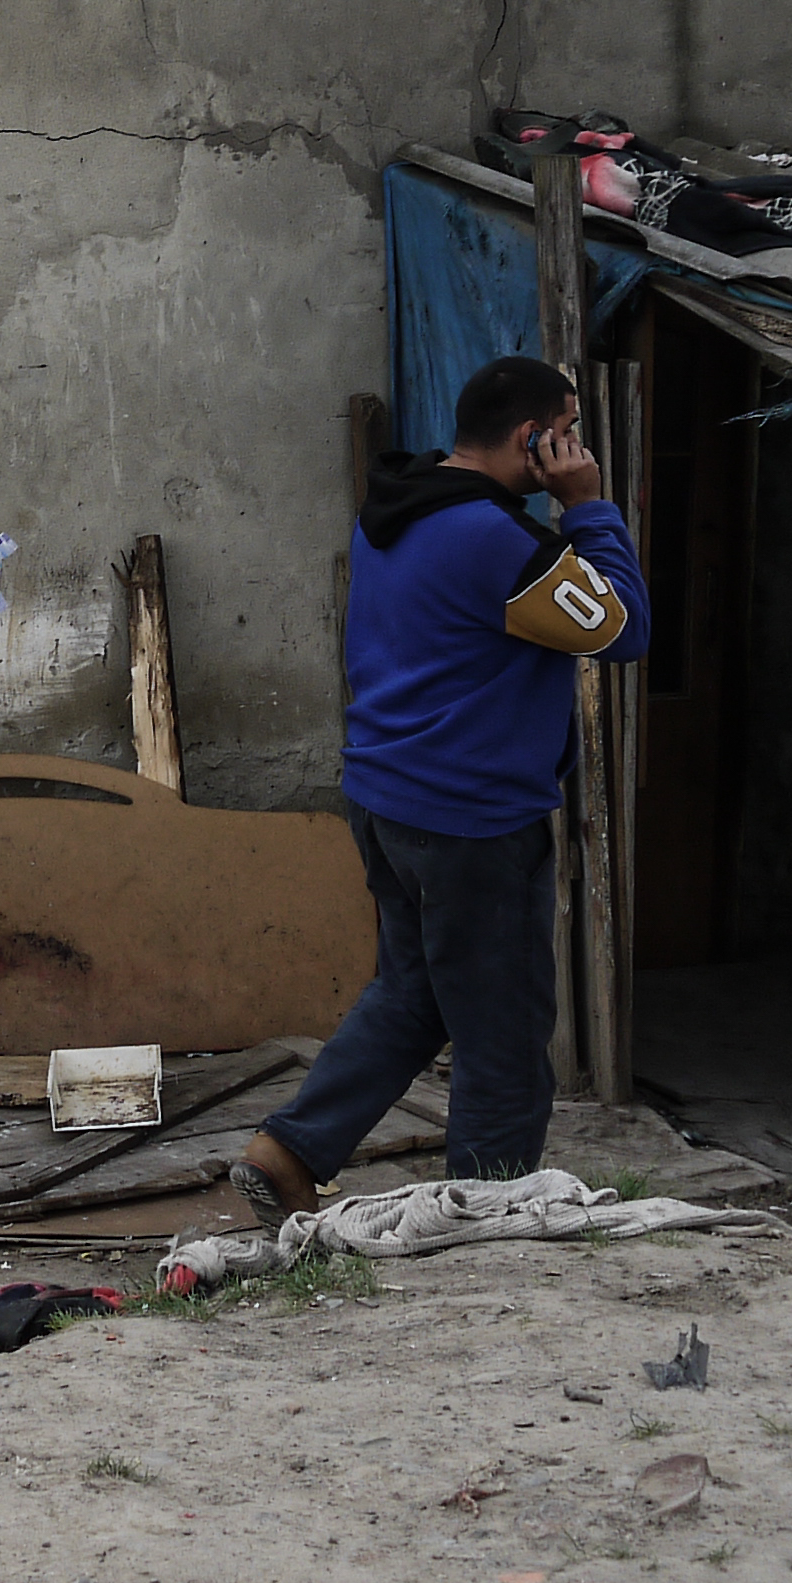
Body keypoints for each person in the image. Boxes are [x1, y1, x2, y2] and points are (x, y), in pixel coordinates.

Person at [246, 353, 649, 1206]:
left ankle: (287, 1153)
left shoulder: (395, 507)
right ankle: (485, 1213)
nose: (575, 448)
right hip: (470, 821)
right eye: (567, 433)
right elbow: (620, 627)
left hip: (385, 797)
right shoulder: (498, 543)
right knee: (502, 1032)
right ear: (531, 438)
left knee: (413, 995)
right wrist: (588, 507)